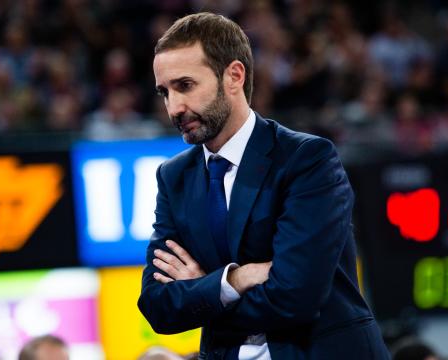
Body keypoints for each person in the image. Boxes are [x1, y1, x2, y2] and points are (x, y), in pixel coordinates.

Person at [137, 12, 389, 359]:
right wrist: (232, 280)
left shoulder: (306, 159)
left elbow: (296, 296)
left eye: (185, 85)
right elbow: (157, 307)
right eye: (164, 92)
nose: (174, 107)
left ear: (234, 76)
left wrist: (204, 290)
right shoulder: (173, 176)